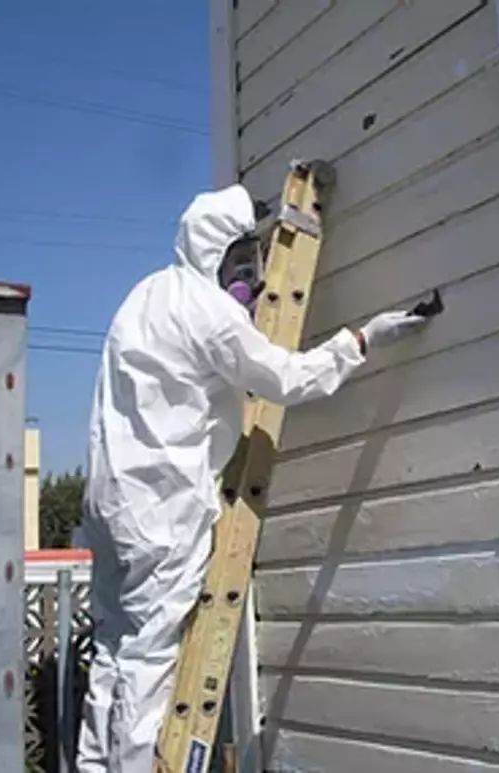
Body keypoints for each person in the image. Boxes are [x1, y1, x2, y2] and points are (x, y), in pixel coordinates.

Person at [76, 183, 428, 772]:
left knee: (112, 650)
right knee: (146, 658)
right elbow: (288, 379)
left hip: (109, 505)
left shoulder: (146, 294)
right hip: (162, 510)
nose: (254, 282)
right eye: (244, 263)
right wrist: (362, 339)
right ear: (221, 254)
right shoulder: (210, 314)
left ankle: (93, 767)